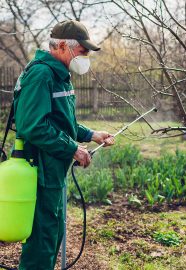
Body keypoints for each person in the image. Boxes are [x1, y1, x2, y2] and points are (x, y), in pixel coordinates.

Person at [13, 20, 115, 269]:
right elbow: (33, 126)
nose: (86, 57)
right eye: (82, 51)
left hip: (53, 171)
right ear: (61, 45)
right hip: (40, 170)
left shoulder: (59, 74)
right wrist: (72, 149)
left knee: (53, 232)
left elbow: (62, 122)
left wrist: (91, 134)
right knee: (42, 242)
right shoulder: (41, 74)